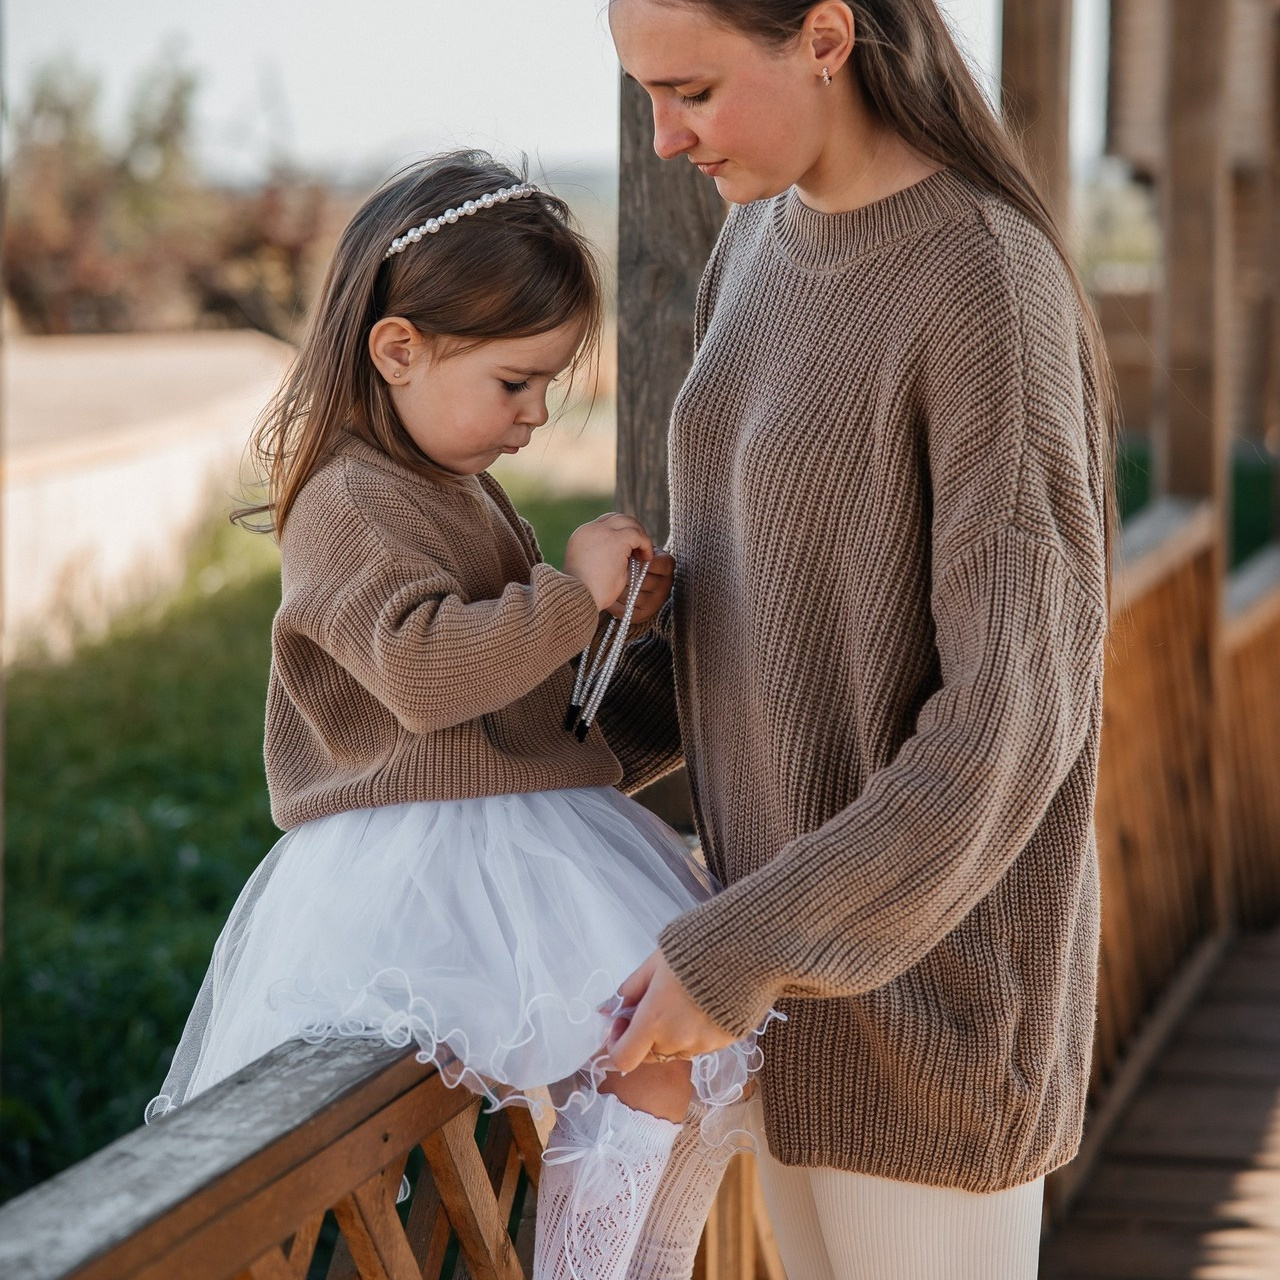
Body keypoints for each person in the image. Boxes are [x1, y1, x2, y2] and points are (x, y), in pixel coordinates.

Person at [143, 150, 766, 1280]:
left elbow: (523, 710)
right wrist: (570, 594)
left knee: (664, 1045)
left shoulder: (452, 481)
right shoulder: (346, 498)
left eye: (545, 388)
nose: (531, 418)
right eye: (514, 383)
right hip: (415, 861)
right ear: (398, 349)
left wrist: (628, 636)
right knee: (634, 1047)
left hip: (506, 831)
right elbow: (427, 674)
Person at [600, 2, 1115, 1277]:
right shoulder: (756, 246)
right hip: (788, 1003)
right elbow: (747, 625)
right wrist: (547, 671)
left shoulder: (983, 281)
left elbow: (1009, 719)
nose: (665, 139)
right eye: (646, 99)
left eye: (693, 92)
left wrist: (734, 949)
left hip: (932, 1024)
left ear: (825, 36)